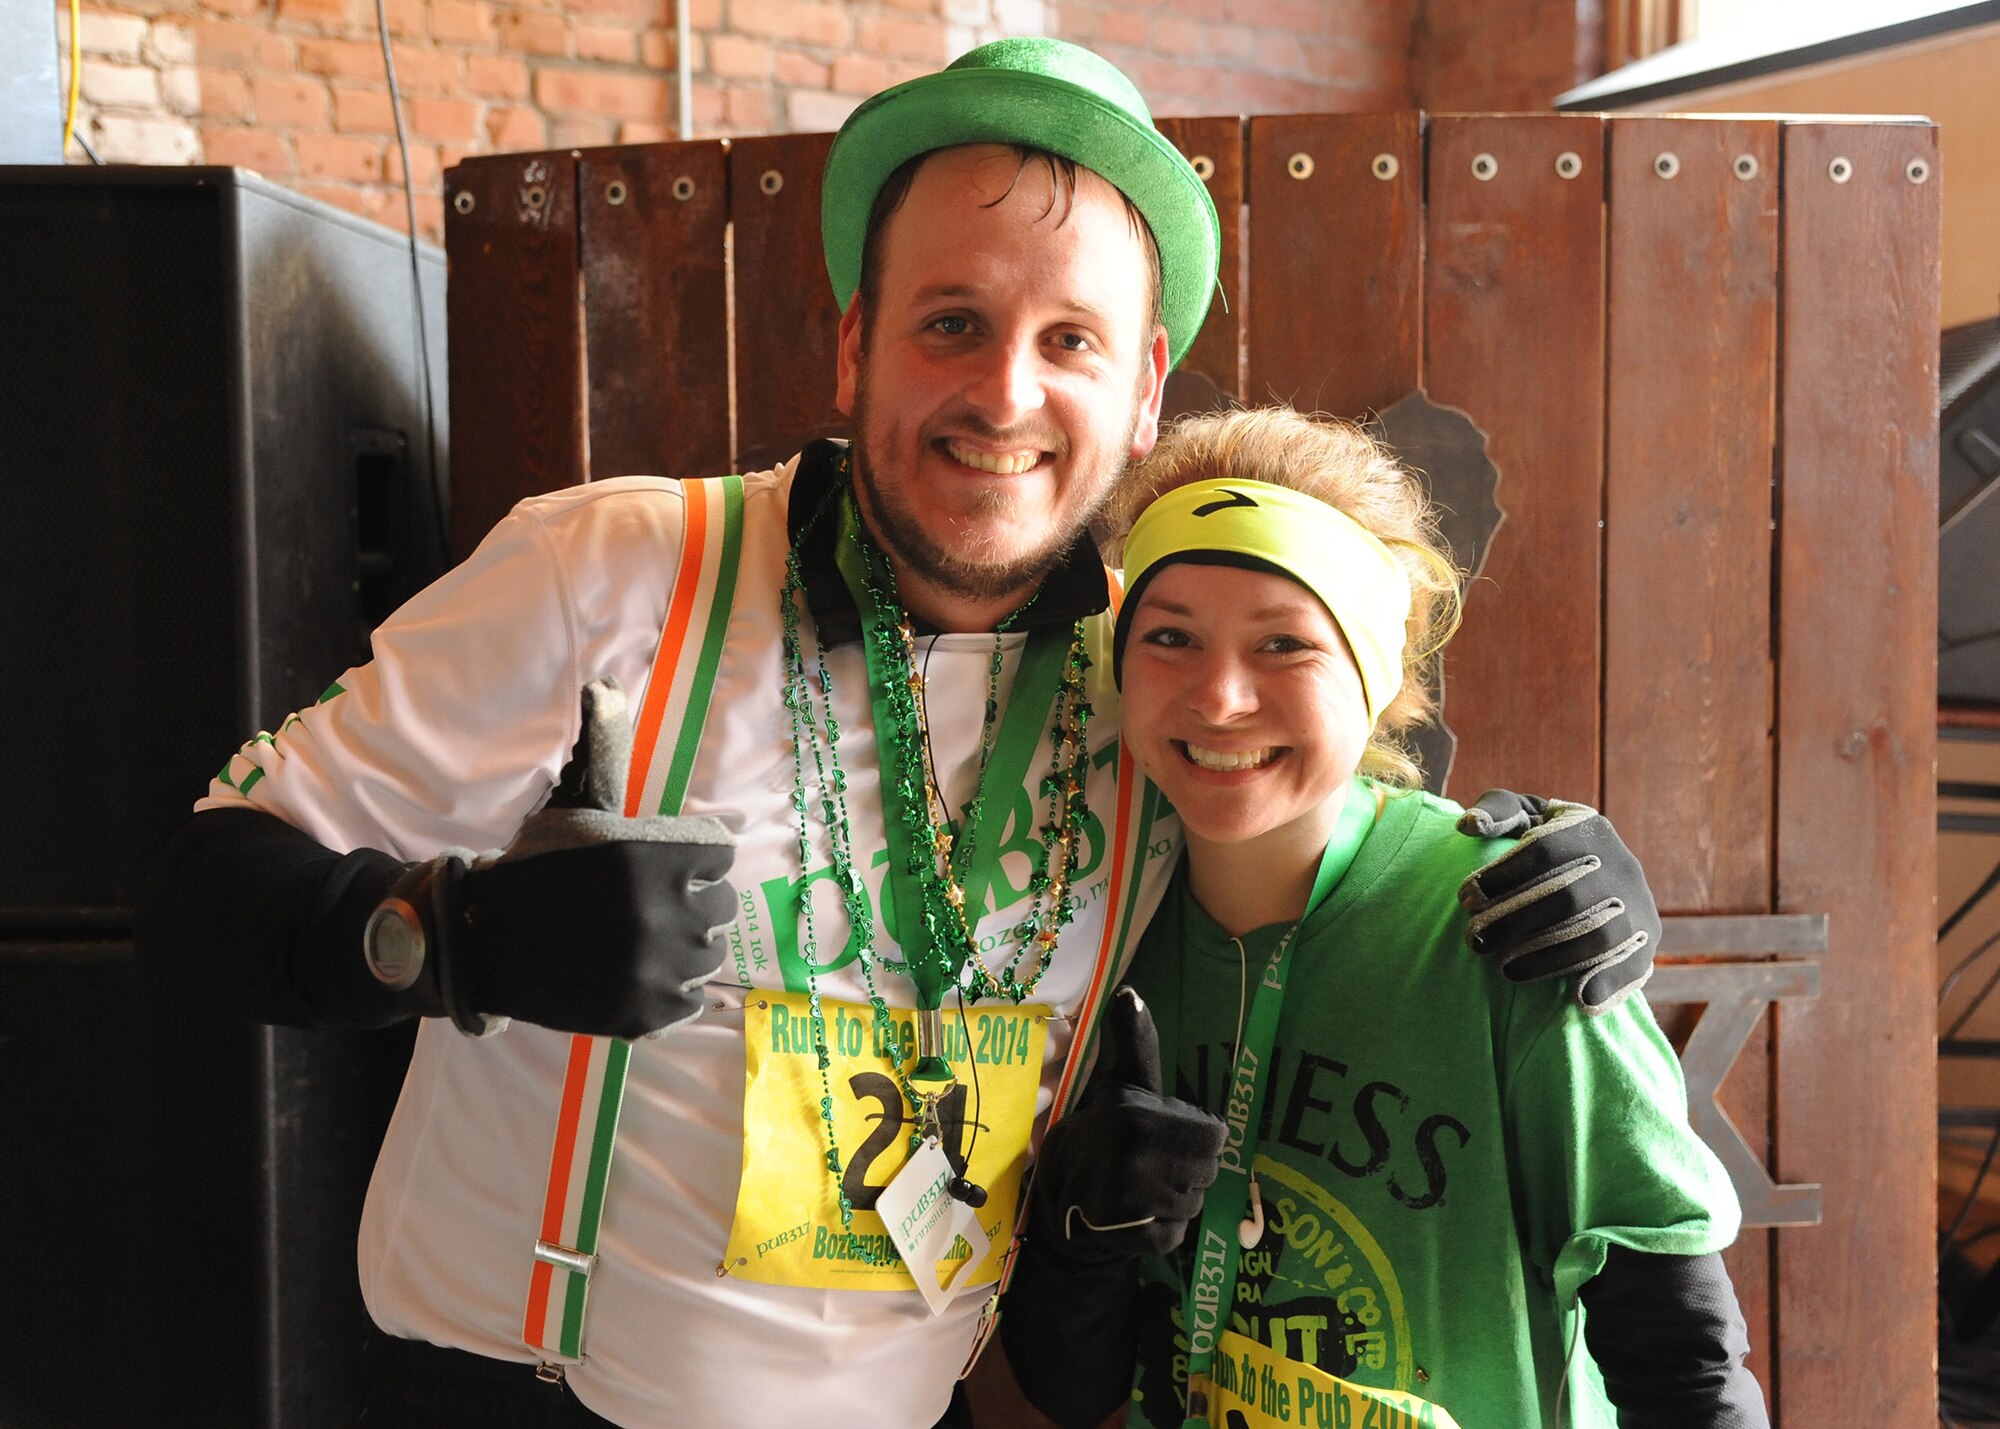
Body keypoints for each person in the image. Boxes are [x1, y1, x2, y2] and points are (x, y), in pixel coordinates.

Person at [137, 41, 1663, 1429]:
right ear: (857, 345)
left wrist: (1554, 872)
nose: (1005, 392)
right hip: (519, 1397)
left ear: (1140, 397)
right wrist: (448, 933)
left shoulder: (1156, 666)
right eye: (955, 322)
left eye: (1071, 341)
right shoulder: (605, 572)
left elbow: (1333, 816)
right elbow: (201, 902)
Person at [1001, 407, 1765, 1429]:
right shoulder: (1090, 919)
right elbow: (1073, 1385)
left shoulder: (1512, 923)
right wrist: (1077, 1247)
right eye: (1170, 636)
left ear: (1374, 681)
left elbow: (1684, 1362)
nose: (1219, 696)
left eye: (1284, 643)